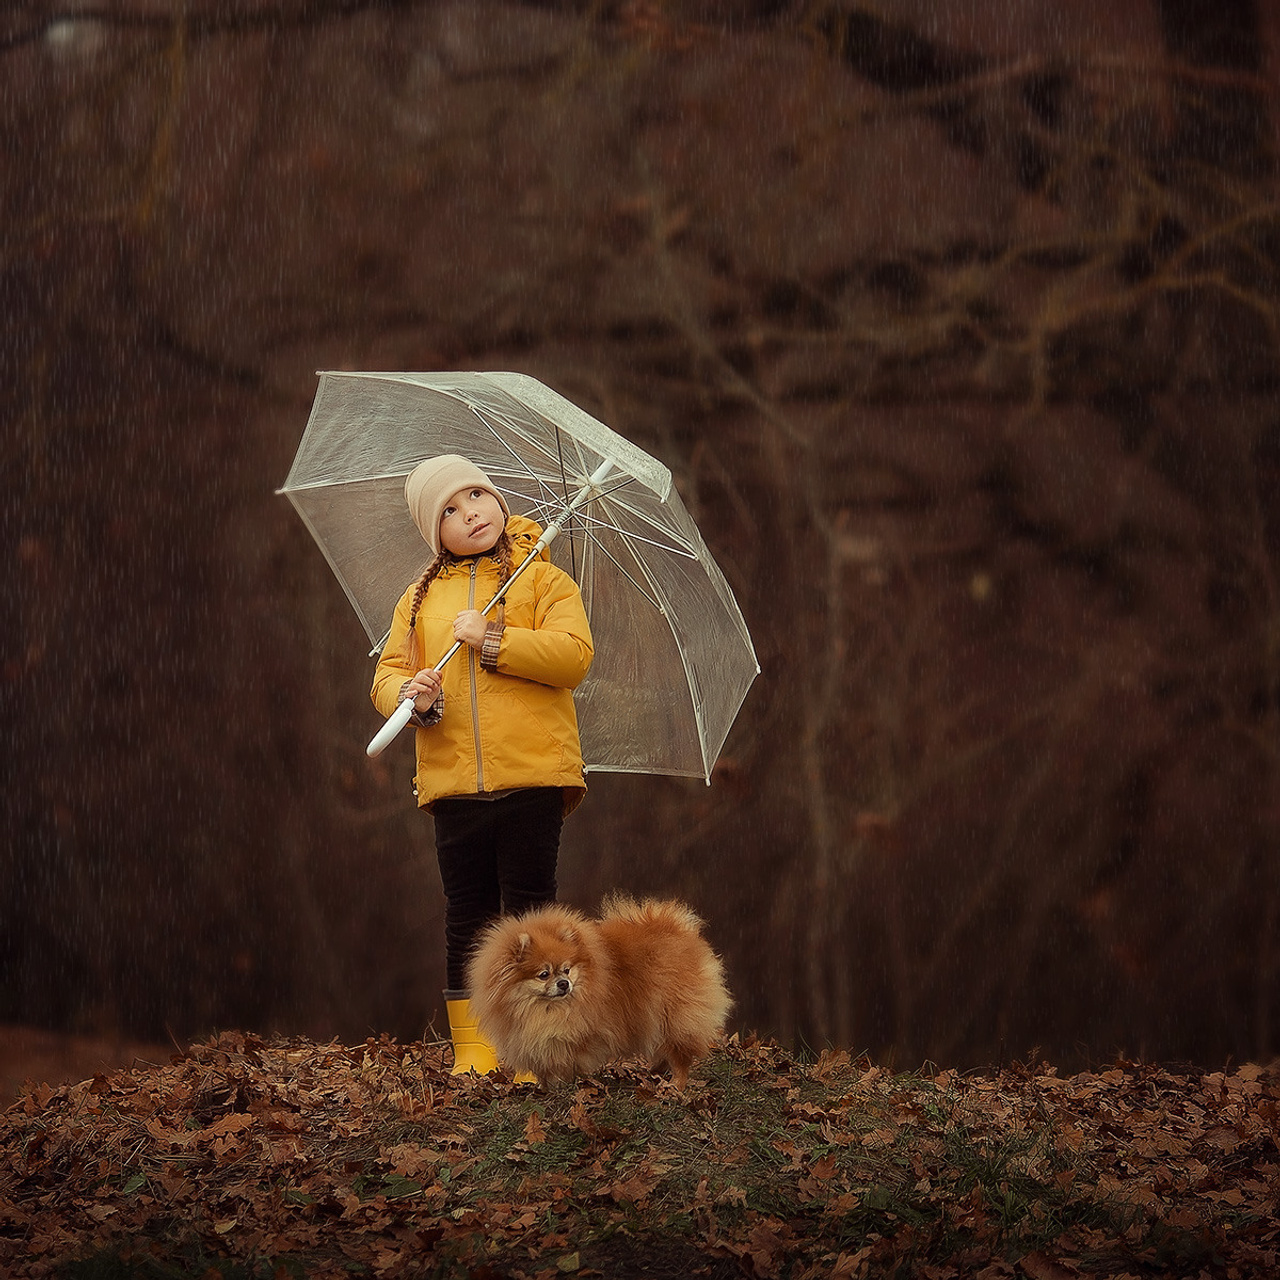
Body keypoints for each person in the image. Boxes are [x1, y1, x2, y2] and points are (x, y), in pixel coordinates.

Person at [371, 454, 594, 1075]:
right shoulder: (418, 601)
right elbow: (385, 675)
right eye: (448, 510)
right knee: (467, 915)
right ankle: (474, 1054)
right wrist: (409, 696)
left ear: (497, 499)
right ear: (433, 532)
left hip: (532, 777)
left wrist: (492, 639)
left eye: (475, 496)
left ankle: (530, 1052)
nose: (468, 512)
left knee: (529, 917)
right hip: (454, 784)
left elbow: (573, 657)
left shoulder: (543, 581)